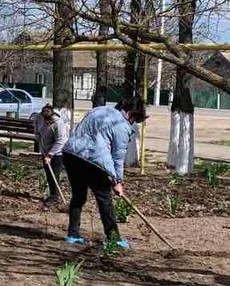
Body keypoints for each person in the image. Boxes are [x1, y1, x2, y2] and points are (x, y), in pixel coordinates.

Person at [61, 95, 146, 246]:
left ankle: (73, 234)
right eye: (134, 120)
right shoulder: (121, 125)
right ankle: (113, 238)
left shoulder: (99, 110)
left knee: (78, 195)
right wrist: (117, 181)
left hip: (71, 154)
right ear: (130, 113)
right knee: (104, 198)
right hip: (92, 160)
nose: (132, 123)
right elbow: (118, 157)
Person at [32, 103, 70, 205]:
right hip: (45, 150)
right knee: (49, 174)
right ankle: (52, 195)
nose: (47, 122)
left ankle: (54, 197)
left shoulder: (58, 123)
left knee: (54, 173)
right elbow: (36, 124)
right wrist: (37, 134)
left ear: (52, 116)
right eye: (45, 120)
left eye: (48, 121)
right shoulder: (39, 117)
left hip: (58, 152)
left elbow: (61, 141)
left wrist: (50, 155)